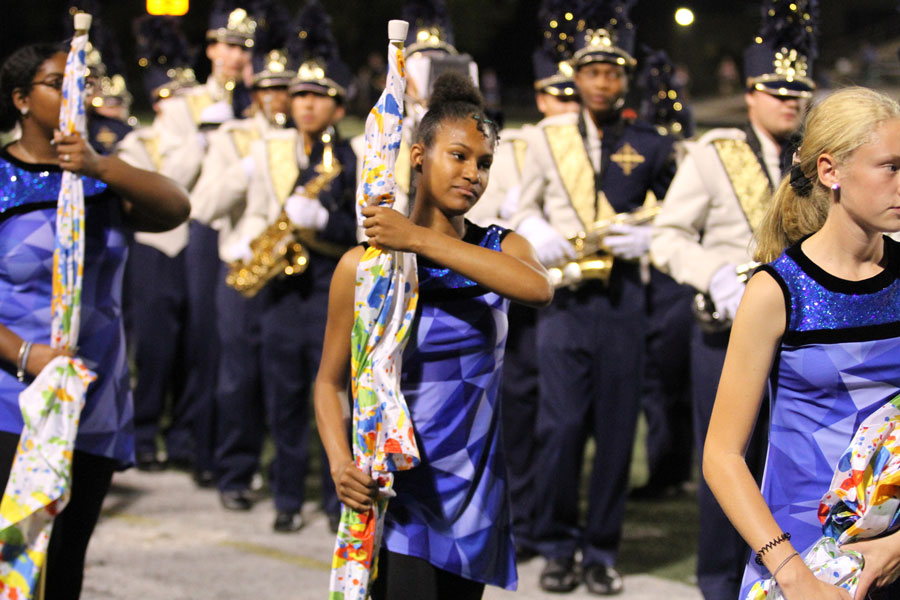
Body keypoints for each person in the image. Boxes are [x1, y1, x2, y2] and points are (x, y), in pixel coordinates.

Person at [315, 71, 553, 599]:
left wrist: (418, 239)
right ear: (418, 155)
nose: (473, 173)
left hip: (472, 492)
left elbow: (538, 289)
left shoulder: (502, 247)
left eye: (484, 162)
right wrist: (339, 463)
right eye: (459, 156)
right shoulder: (366, 267)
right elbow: (329, 383)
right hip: (399, 489)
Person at [0, 43, 189, 599]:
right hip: (13, 399)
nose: (74, 92)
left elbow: (177, 208)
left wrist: (97, 165)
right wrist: (23, 353)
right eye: (58, 82)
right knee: (11, 556)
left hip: (94, 398)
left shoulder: (102, 180)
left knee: (64, 561)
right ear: (20, 99)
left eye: (80, 81)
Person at [703, 86, 900, 600]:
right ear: (831, 172)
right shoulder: (776, 291)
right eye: (891, 167)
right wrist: (793, 574)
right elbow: (722, 455)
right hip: (805, 557)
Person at [649, 1, 817, 596]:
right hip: (725, 332)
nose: (789, 101)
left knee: (793, 465)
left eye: (798, 90)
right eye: (776, 90)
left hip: (802, 335)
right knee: (730, 464)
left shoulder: (816, 160)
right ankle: (720, 583)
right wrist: (713, 274)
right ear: (750, 92)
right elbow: (667, 235)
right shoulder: (716, 150)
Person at [510, 1, 676, 593]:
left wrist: (651, 236)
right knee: (558, 430)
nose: (602, 82)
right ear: (575, 76)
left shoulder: (651, 142)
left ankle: (601, 551)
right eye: (591, 71)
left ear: (625, 77)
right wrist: (537, 232)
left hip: (624, 304)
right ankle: (557, 544)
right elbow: (519, 205)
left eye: (612, 72)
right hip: (563, 304)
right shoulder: (546, 137)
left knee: (613, 432)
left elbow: (675, 216)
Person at [214, 0, 353, 532]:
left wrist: (323, 223)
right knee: (284, 398)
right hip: (279, 295)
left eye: (319, 98)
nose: (307, 106)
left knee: (334, 394)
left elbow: (365, 233)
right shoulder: (270, 152)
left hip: (327, 296)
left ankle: (339, 496)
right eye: (300, 96)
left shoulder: (351, 159)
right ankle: (288, 497)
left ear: (338, 108)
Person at [465, 0, 578, 561]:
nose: (565, 105)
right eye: (557, 95)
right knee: (516, 411)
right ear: (539, 96)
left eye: (572, 96)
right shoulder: (519, 145)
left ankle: (539, 518)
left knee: (551, 421)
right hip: (513, 292)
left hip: (566, 292)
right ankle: (516, 519)